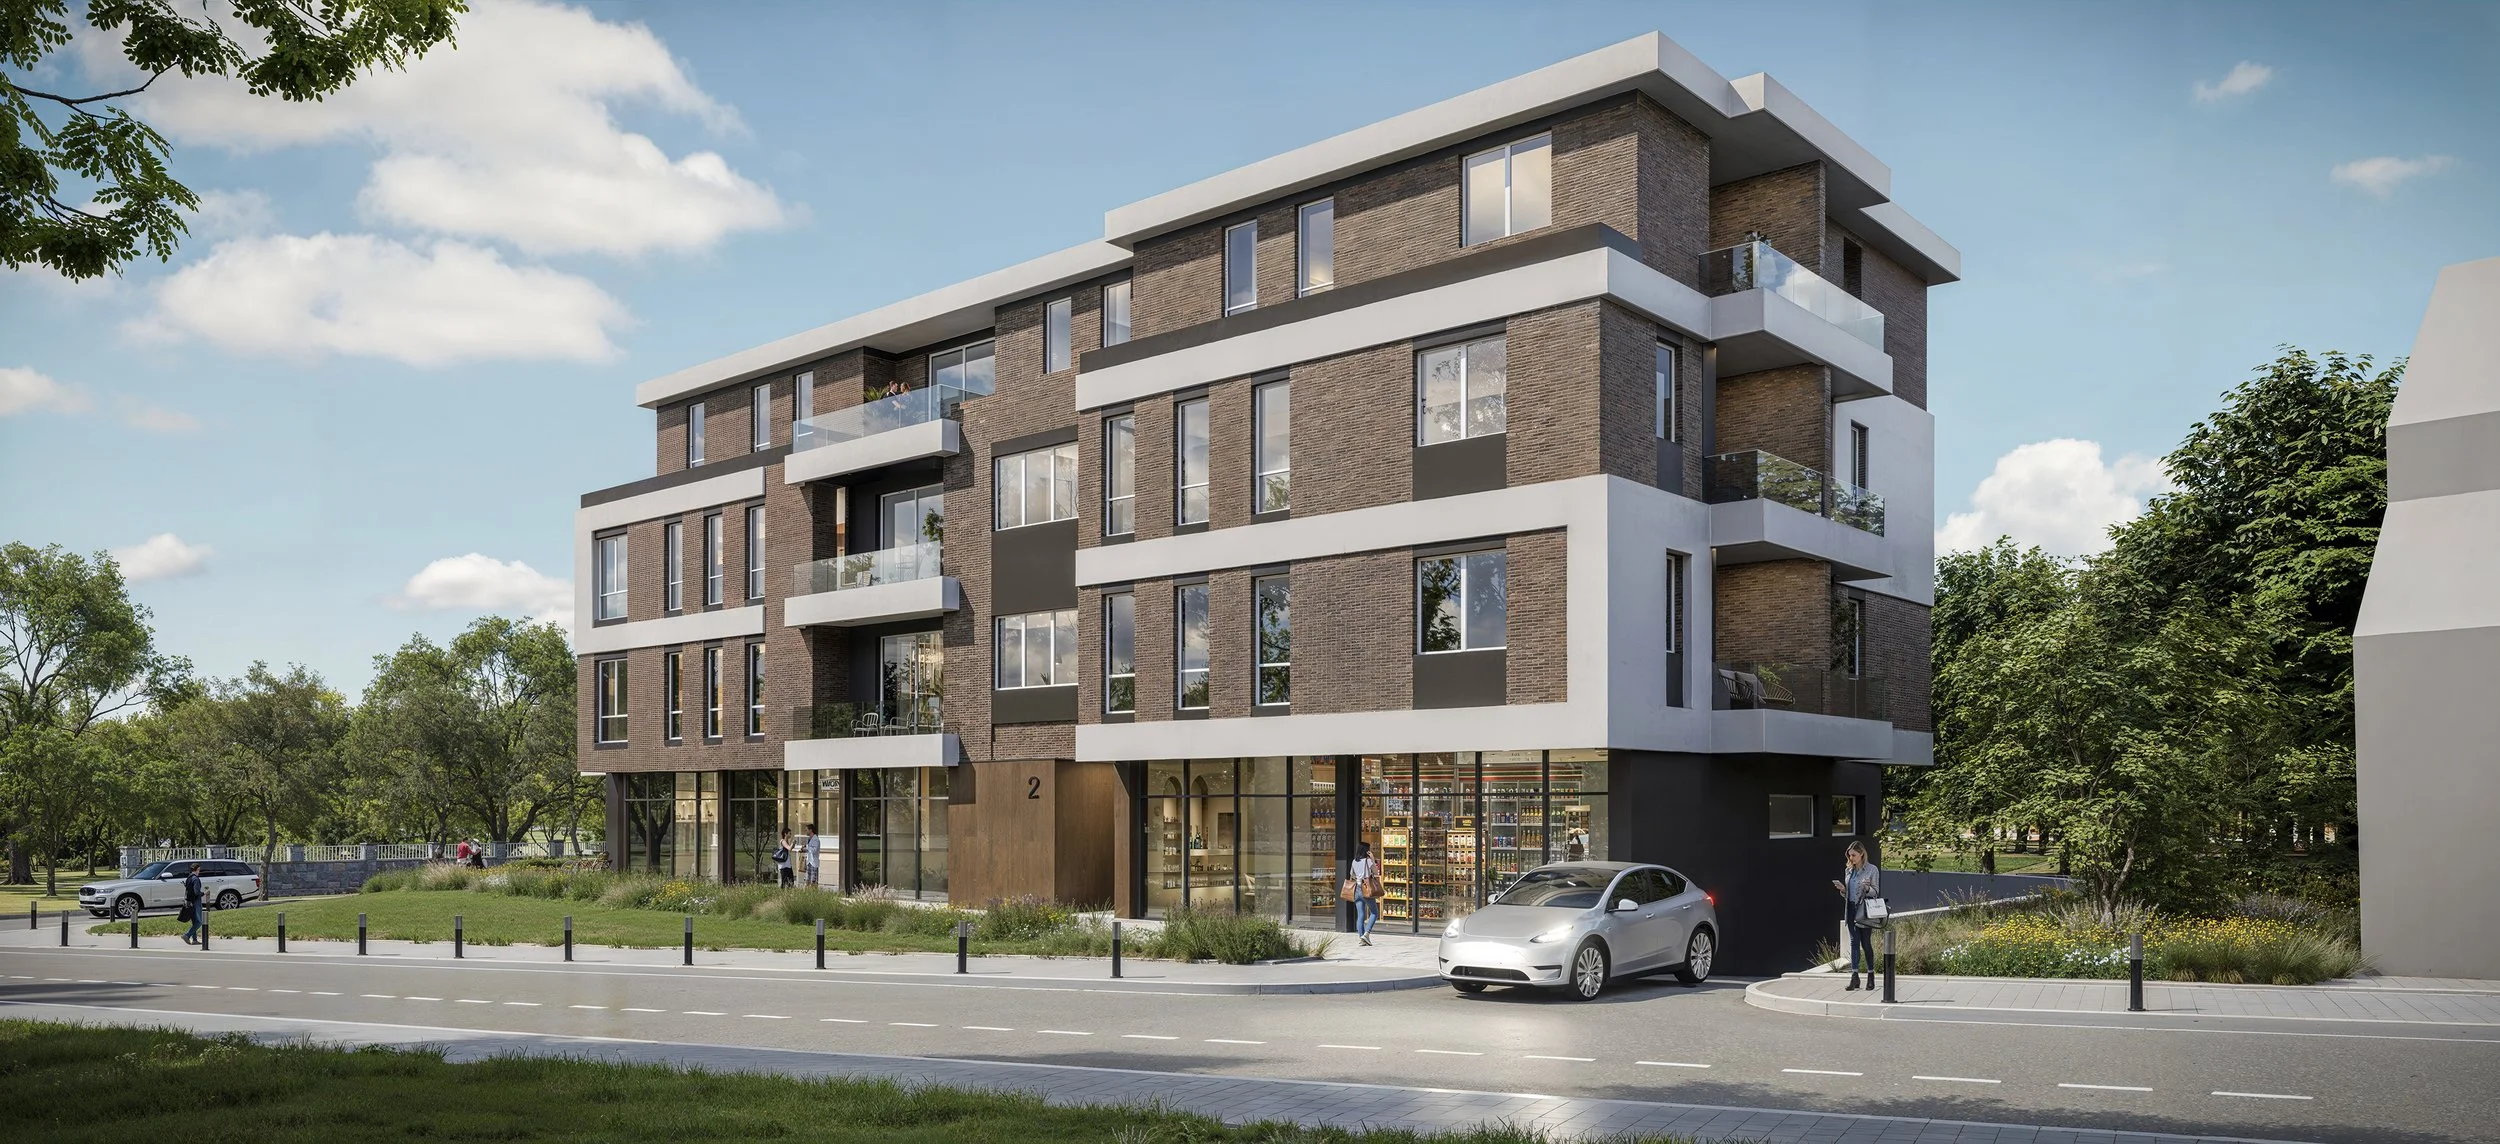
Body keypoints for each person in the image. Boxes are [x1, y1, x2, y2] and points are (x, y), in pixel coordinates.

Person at [1832, 840, 1882, 990]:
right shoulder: (1849, 870)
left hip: (1865, 911)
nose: (1851, 858)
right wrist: (1843, 889)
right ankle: (1854, 977)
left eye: (1853, 855)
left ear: (1861, 854)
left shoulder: (1872, 870)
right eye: (1849, 855)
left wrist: (1867, 888)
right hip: (1851, 910)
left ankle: (1871, 976)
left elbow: (1876, 892)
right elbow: (1848, 895)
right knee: (1854, 943)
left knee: (1866, 944)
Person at [1347, 842, 1382, 947]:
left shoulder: (1354, 861)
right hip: (1366, 889)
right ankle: (1366, 934)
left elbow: (1351, 875)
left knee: (1361, 915)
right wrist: (1372, 859)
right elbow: (1376, 872)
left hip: (1357, 889)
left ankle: (1362, 938)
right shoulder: (1368, 861)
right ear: (1366, 851)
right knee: (1374, 912)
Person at [180, 865, 208, 946]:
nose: (199, 872)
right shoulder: (195, 879)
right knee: (199, 922)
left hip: (189, 903)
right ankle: (187, 935)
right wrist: (204, 893)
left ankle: (195, 940)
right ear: (196, 870)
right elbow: (196, 892)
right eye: (199, 870)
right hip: (195, 902)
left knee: (194, 921)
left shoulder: (189, 878)